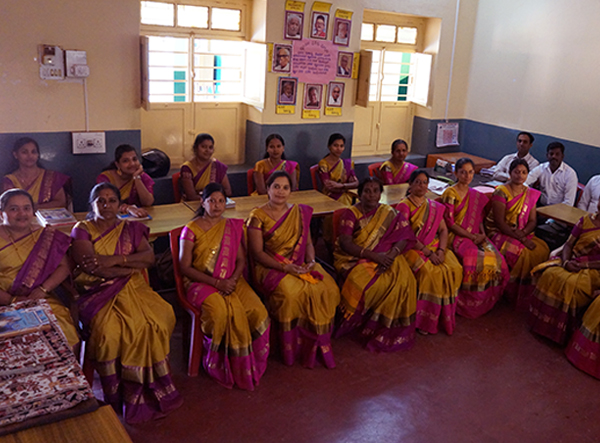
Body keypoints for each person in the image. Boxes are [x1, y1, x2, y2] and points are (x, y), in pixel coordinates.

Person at [71, 183, 182, 423]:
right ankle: (118, 392)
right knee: (110, 332)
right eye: (101, 200)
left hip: (134, 287)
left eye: (112, 200)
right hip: (96, 293)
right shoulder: (82, 229)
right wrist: (129, 267)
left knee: (160, 317)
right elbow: (94, 268)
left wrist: (116, 260)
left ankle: (153, 386)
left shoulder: (129, 228)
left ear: (120, 205)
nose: (107, 205)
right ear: (92, 205)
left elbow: (149, 258)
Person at [178, 183, 270, 390]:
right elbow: (185, 267)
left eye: (221, 201)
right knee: (220, 312)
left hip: (232, 280)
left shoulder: (231, 226)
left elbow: (240, 260)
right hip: (200, 283)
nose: (217, 205)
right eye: (212, 200)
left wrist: (233, 280)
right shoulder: (191, 229)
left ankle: (249, 362)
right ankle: (218, 363)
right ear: (203, 202)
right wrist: (218, 283)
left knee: (258, 311)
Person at [247, 171, 340, 368]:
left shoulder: (299, 212)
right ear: (268, 189)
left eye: (285, 187)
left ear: (291, 191)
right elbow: (257, 253)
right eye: (276, 187)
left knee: (328, 288)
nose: (281, 192)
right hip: (271, 266)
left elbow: (306, 244)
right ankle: (292, 348)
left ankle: (317, 343)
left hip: (299, 263)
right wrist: (285, 267)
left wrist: (312, 261)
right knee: (291, 294)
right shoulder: (258, 216)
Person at [334, 177, 418, 351]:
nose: (371, 195)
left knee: (405, 281)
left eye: (375, 191)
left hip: (388, 256)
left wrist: (392, 255)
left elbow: (404, 235)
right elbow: (346, 244)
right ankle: (365, 327)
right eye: (367, 191)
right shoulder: (351, 213)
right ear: (359, 194)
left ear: (381, 193)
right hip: (355, 258)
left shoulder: (388, 212)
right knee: (372, 284)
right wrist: (374, 256)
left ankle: (387, 327)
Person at [0, 189, 78, 347]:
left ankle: (63, 372)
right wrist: (12, 300)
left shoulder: (46, 235)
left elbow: (64, 266)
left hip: (40, 298)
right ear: (2, 213)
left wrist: (43, 289)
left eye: (27, 208)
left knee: (63, 328)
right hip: (3, 302)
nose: (22, 214)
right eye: (14, 209)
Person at [396, 170, 463, 335]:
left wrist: (441, 250)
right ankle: (425, 319)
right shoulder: (404, 206)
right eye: (417, 182)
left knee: (455, 268)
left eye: (425, 182)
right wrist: (428, 253)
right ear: (410, 185)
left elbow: (443, 230)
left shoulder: (433, 206)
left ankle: (444, 314)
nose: (421, 185)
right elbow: (407, 236)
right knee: (430, 273)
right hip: (411, 248)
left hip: (435, 247)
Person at [440, 158, 509, 318]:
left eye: (471, 172)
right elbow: (450, 223)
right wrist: (471, 236)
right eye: (463, 172)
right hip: (455, 235)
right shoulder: (450, 193)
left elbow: (479, 218)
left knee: (495, 257)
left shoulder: (475, 195)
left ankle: (487, 300)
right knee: (474, 258)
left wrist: (482, 235)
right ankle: (467, 304)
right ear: (456, 173)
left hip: (475, 234)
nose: (467, 176)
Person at [529, 198, 600, 346]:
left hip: (594, 270)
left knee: (571, 284)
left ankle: (562, 332)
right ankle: (541, 324)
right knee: (549, 274)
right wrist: (566, 262)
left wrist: (582, 266)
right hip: (572, 260)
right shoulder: (586, 220)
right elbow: (568, 244)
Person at [484, 159, 549, 309]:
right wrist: (522, 239)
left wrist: (524, 233)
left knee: (543, 249)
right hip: (499, 231)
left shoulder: (529, 194)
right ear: (510, 173)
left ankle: (528, 293)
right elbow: (500, 223)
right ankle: (510, 292)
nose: (520, 175)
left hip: (521, 232)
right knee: (522, 252)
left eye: (524, 172)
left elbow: (533, 220)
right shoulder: (501, 191)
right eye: (516, 172)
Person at [526, 142, 579, 250]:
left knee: (542, 230)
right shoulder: (541, 168)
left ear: (562, 156)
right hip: (541, 210)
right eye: (551, 154)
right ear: (547, 155)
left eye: (557, 154)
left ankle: (540, 252)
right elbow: (525, 182)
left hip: (559, 215)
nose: (553, 157)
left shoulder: (570, 174)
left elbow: (568, 203)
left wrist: (551, 218)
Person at [3, 137, 70, 209]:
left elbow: (61, 202)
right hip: (20, 219)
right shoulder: (10, 180)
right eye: (24, 152)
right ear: (15, 155)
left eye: (33, 152)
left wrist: (36, 208)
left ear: (38, 155)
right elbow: (9, 206)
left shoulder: (51, 177)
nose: (30, 156)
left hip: (48, 219)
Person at [318, 133, 358, 243]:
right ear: (329, 146)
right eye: (335, 145)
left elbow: (356, 183)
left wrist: (342, 186)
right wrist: (347, 186)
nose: (338, 149)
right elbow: (329, 187)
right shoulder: (324, 163)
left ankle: (351, 240)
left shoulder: (347, 164)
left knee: (359, 208)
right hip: (329, 197)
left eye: (341, 146)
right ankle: (333, 242)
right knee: (342, 210)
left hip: (347, 195)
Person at [96, 144, 154, 217]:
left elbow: (148, 202)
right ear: (118, 165)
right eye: (126, 161)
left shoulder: (142, 176)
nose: (132, 164)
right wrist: (128, 208)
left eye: (134, 159)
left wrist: (136, 177)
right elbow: (106, 204)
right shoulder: (106, 178)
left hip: (138, 219)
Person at [180, 133, 231, 201]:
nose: (207, 150)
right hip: (194, 206)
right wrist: (213, 197)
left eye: (210, 147)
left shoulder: (217, 166)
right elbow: (191, 196)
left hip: (215, 204)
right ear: (195, 148)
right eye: (203, 147)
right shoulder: (187, 168)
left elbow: (228, 191)